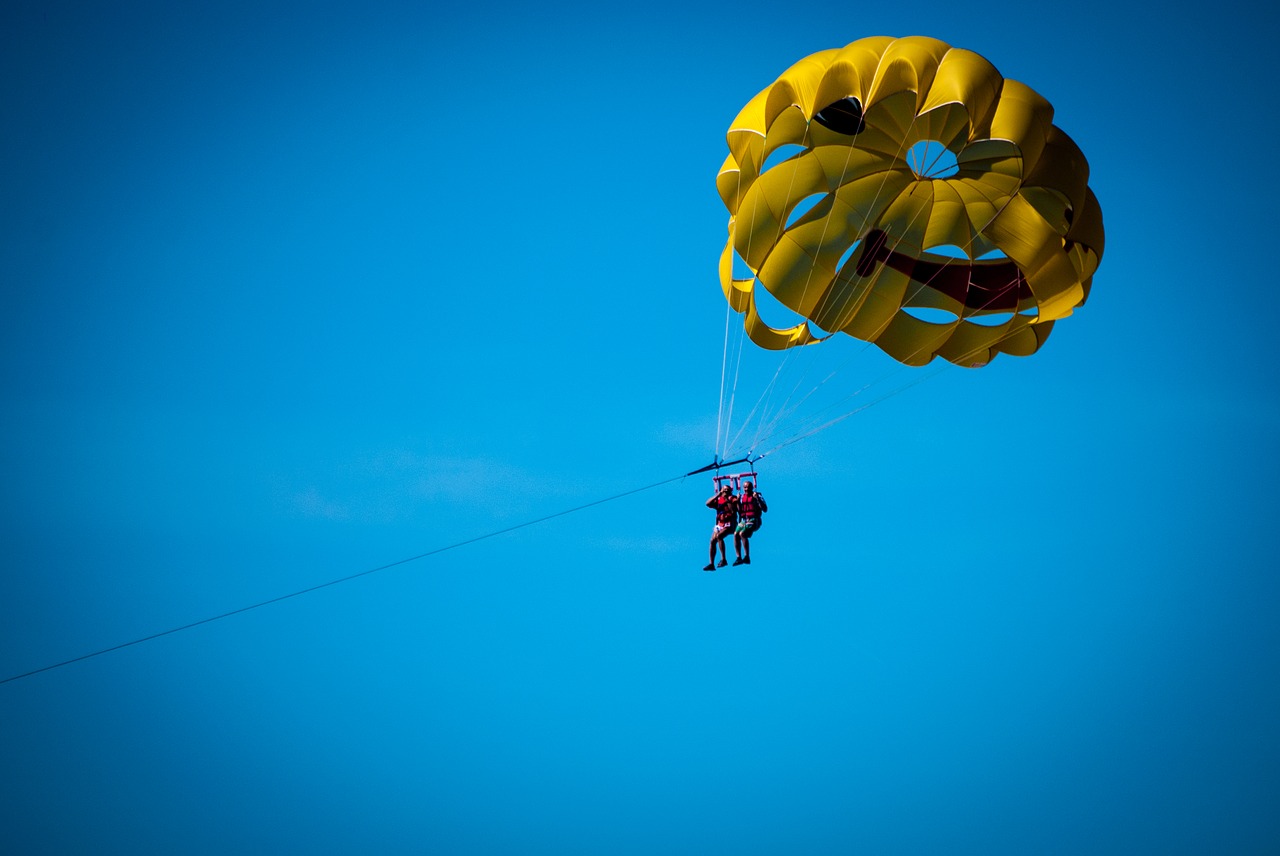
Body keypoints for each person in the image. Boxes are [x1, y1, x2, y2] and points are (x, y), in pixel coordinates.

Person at [732, 480, 767, 565]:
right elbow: (740, 511)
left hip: (754, 520)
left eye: (748, 487)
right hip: (745, 520)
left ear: (752, 488)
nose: (746, 489)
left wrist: (757, 499)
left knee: (742, 534)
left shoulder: (757, 495)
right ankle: (738, 557)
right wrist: (737, 502)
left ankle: (747, 556)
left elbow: (765, 509)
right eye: (745, 487)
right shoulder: (741, 497)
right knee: (736, 533)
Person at [704, 484, 737, 571]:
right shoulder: (718, 500)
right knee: (712, 540)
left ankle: (723, 559)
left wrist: (726, 500)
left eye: (727, 490)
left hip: (730, 523)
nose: (725, 492)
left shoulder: (732, 499)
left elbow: (733, 511)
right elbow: (707, 503)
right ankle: (711, 564)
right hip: (720, 523)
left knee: (719, 536)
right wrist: (718, 495)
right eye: (724, 490)